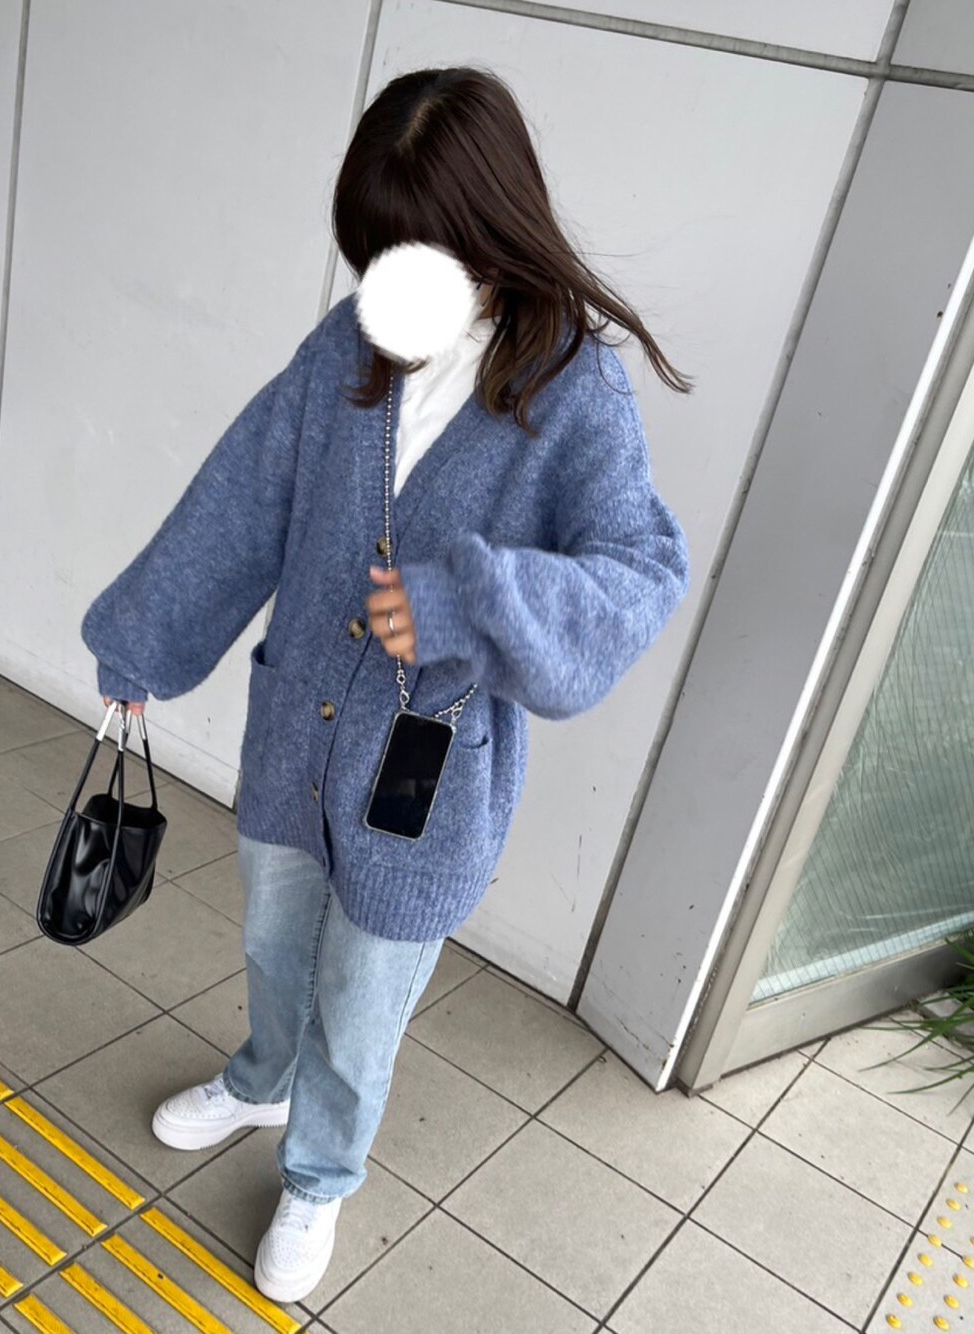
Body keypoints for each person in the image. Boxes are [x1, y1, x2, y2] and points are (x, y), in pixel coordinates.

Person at [84, 65, 693, 1306]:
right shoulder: (351, 344)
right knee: (274, 942)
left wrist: (466, 601)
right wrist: (144, 644)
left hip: (426, 777)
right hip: (296, 733)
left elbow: (638, 575)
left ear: (489, 228)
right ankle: (261, 1079)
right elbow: (241, 497)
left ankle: (319, 1172)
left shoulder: (574, 387)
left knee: (362, 1001)